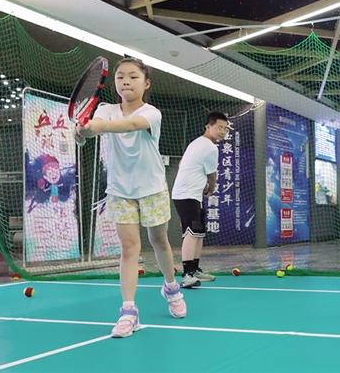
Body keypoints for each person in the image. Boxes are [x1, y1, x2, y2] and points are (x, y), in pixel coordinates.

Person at [76, 57, 186, 338]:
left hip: (152, 188)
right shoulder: (105, 109)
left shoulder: (152, 113)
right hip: (120, 191)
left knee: (158, 240)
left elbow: (131, 125)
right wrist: (82, 132)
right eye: (121, 76)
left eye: (133, 77)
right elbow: (87, 133)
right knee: (129, 248)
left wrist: (97, 128)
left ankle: (171, 287)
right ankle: (128, 312)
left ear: (146, 83)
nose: (126, 81)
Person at [172, 112, 229, 288]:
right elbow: (212, 175)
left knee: (199, 232)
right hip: (186, 195)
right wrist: (210, 188)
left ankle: (195, 270)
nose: (222, 132)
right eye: (219, 127)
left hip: (192, 194)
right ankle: (187, 275)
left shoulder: (196, 142)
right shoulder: (210, 147)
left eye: (225, 129)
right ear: (208, 127)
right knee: (191, 233)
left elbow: (182, 164)